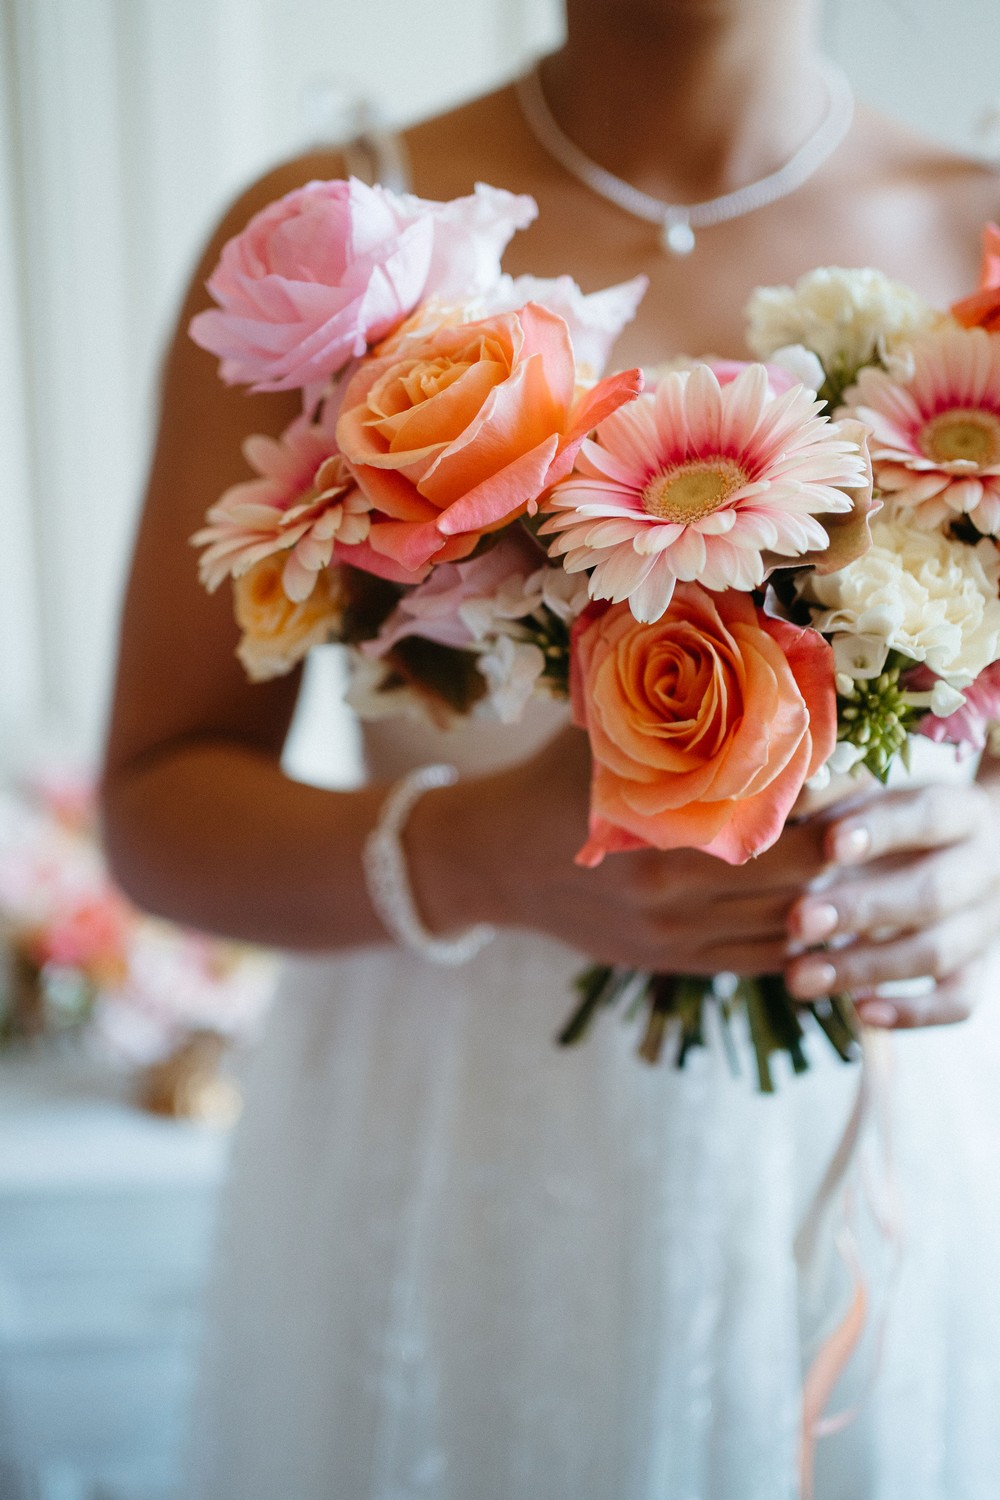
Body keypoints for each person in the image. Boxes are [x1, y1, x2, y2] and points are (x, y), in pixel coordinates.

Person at [101, 2, 1000, 1496]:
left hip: (883, 1161)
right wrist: (471, 857)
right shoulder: (334, 255)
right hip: (463, 1154)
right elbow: (151, 808)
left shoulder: (982, 241)